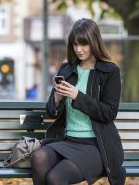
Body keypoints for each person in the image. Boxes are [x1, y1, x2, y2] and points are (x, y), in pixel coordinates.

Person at [31, 18, 126, 185]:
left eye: (84, 44)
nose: (79, 50)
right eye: (75, 45)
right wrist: (57, 98)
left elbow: (109, 113)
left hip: (96, 146)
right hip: (67, 140)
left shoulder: (109, 71)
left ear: (94, 42)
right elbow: (51, 112)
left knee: (55, 178)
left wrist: (77, 96)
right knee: (39, 158)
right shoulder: (67, 69)